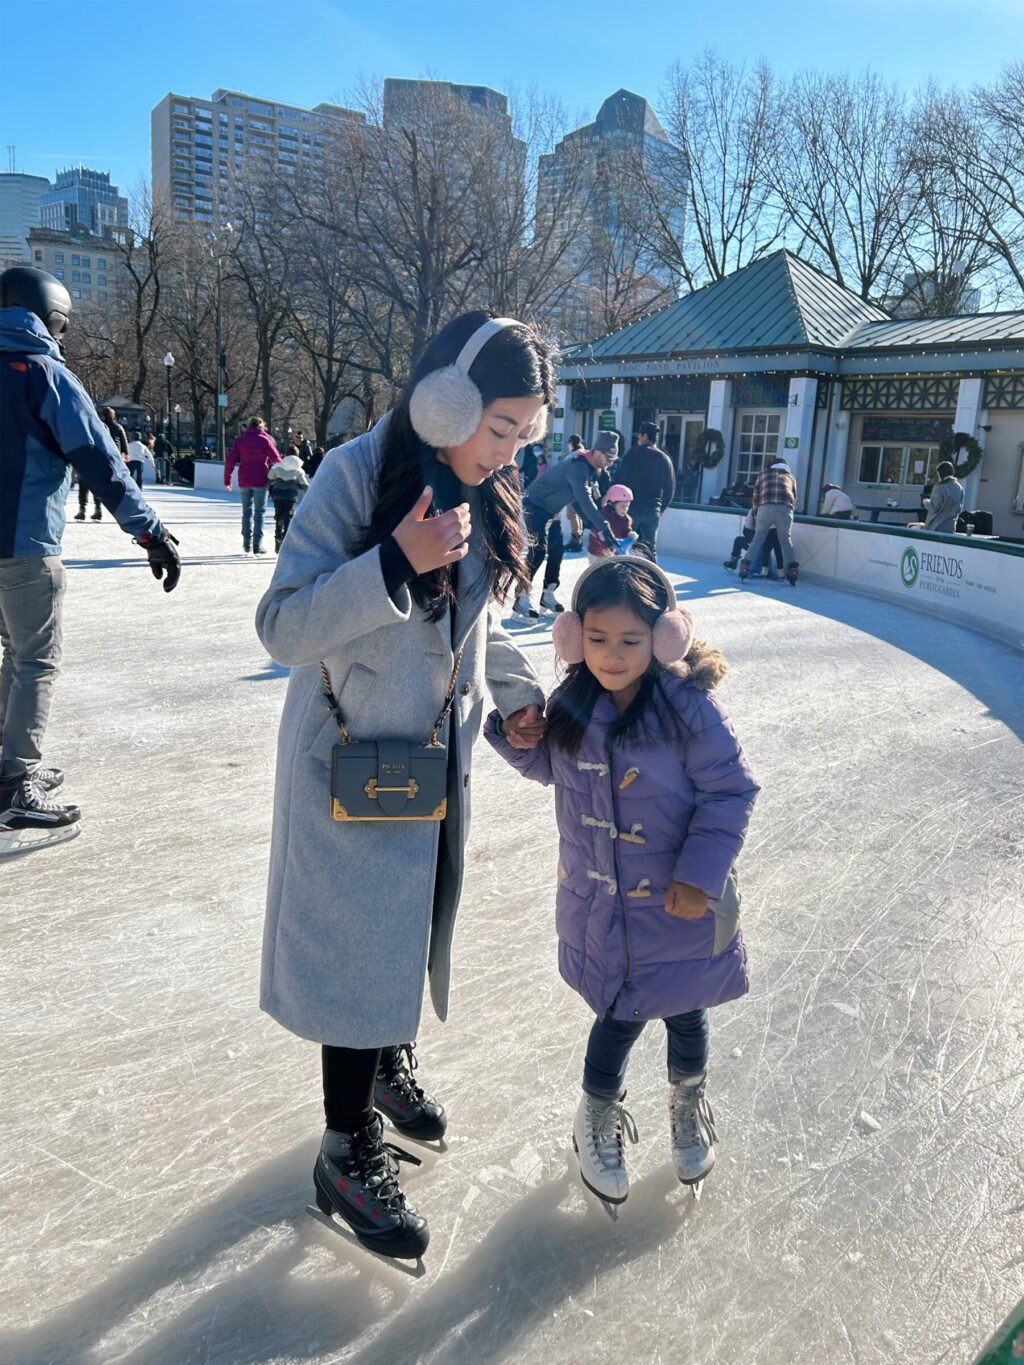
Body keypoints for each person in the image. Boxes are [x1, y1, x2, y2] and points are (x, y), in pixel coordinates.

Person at [256, 310, 553, 1261]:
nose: (508, 452)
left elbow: (475, 621)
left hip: (427, 762)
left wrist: (516, 693)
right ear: (447, 402)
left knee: (405, 926)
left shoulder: (485, 488)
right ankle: (344, 1148)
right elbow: (282, 625)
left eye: (524, 435)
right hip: (347, 761)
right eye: (500, 428)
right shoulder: (352, 474)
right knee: (357, 947)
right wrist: (392, 559)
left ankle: (385, 1060)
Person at [485, 559, 758, 1202]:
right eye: (598, 639)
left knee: (686, 1010)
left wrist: (699, 876)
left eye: (631, 640)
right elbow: (549, 768)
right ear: (573, 636)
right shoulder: (572, 703)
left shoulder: (689, 709)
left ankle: (687, 1102)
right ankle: (596, 1116)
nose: (612, 655)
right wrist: (517, 734)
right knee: (616, 1014)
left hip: (680, 902)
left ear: (663, 638)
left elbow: (730, 791)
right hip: (602, 905)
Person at [0, 266, 180, 832]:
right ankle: (15, 783)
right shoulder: (44, 373)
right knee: (34, 659)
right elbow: (100, 461)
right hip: (25, 545)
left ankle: (7, 765)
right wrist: (150, 532)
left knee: (12, 654)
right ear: (53, 317)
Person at [514, 431, 620, 618]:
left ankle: (548, 593)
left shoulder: (590, 470)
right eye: (608, 458)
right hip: (534, 506)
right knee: (538, 551)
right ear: (597, 452)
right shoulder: (578, 467)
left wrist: (593, 526)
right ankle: (521, 597)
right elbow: (584, 498)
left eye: (613, 460)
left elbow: (577, 502)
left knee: (557, 550)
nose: (609, 463)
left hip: (550, 510)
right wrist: (603, 526)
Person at [614, 421, 676, 559]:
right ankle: (650, 571)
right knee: (650, 550)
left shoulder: (632, 454)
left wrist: (617, 504)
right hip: (652, 509)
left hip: (632, 508)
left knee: (626, 547)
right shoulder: (664, 459)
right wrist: (660, 508)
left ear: (645, 436)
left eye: (640, 435)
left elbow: (618, 480)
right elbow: (670, 489)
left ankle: (626, 571)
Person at [739, 456, 799, 585]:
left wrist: (756, 513)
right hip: (785, 508)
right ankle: (792, 570)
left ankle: (745, 566)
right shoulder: (791, 477)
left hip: (765, 507)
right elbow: (794, 498)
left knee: (758, 538)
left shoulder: (763, 474)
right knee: (785, 540)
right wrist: (790, 511)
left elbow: (756, 496)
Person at [225, 418, 281, 555]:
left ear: (248, 426)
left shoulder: (240, 440)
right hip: (260, 479)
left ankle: (246, 543)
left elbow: (230, 461)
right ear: (261, 427)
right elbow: (276, 459)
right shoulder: (265, 440)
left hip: (244, 478)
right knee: (259, 512)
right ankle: (257, 544)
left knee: (246, 511)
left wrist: (227, 480)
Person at [267, 450, 309, 551]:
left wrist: (275, 481)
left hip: (278, 495)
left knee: (278, 516)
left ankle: (278, 536)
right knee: (288, 517)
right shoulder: (299, 470)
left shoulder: (277, 466)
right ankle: (285, 539)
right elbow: (305, 485)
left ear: (286, 454)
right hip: (291, 497)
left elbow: (270, 478)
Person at [723, 508, 784, 575]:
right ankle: (774, 571)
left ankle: (733, 563)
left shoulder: (754, 510)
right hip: (767, 544)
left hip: (758, 544)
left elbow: (747, 530)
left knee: (739, 541)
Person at [588, 483, 637, 565]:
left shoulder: (626, 520)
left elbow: (624, 535)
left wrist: (630, 536)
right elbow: (595, 531)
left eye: (627, 506)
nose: (625, 509)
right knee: (600, 572)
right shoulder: (603, 516)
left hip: (614, 554)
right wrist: (601, 536)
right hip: (597, 554)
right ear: (611, 504)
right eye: (622, 506)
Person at [923, 461, 964, 533]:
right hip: (951, 527)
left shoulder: (939, 488)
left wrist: (926, 502)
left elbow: (934, 508)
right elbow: (959, 508)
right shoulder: (959, 487)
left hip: (936, 527)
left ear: (940, 473)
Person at [563, 434, 587, 551]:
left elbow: (565, 472)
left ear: (571, 443)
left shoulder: (571, 456)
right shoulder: (584, 454)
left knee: (572, 514)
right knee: (578, 513)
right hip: (583, 488)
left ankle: (576, 539)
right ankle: (578, 537)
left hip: (572, 489)